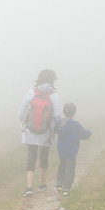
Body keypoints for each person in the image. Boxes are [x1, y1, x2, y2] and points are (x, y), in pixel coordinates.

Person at [18, 69, 62, 197]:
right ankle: (42, 184)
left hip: (30, 130)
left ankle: (29, 187)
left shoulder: (32, 92)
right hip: (46, 132)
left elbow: (22, 108)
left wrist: (21, 121)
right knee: (44, 156)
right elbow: (57, 115)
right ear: (52, 80)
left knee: (31, 157)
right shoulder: (54, 95)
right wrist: (57, 128)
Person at [54, 102, 91, 196]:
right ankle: (66, 189)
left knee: (62, 166)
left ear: (63, 112)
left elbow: (55, 130)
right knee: (70, 169)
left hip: (61, 150)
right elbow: (84, 134)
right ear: (74, 112)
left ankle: (59, 185)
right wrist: (89, 132)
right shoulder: (75, 125)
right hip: (71, 151)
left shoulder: (59, 123)